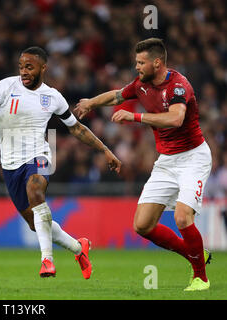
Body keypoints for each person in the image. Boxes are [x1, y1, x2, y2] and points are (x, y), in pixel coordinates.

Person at [0, 46, 122, 278]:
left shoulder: (52, 97)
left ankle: (47, 261)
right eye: (21, 67)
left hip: (37, 156)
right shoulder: (5, 86)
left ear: (43, 68)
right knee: (35, 222)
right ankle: (79, 248)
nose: (24, 72)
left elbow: (76, 128)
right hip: (10, 165)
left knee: (36, 189)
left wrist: (105, 149)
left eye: (29, 67)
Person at [75, 38, 212, 291]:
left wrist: (134, 116)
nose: (136, 66)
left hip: (193, 158)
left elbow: (176, 119)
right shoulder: (141, 84)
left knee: (183, 218)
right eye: (136, 62)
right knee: (142, 225)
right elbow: (117, 96)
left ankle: (200, 278)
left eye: (141, 62)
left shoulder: (179, 86)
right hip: (167, 161)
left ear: (157, 63)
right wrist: (91, 102)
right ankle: (196, 254)